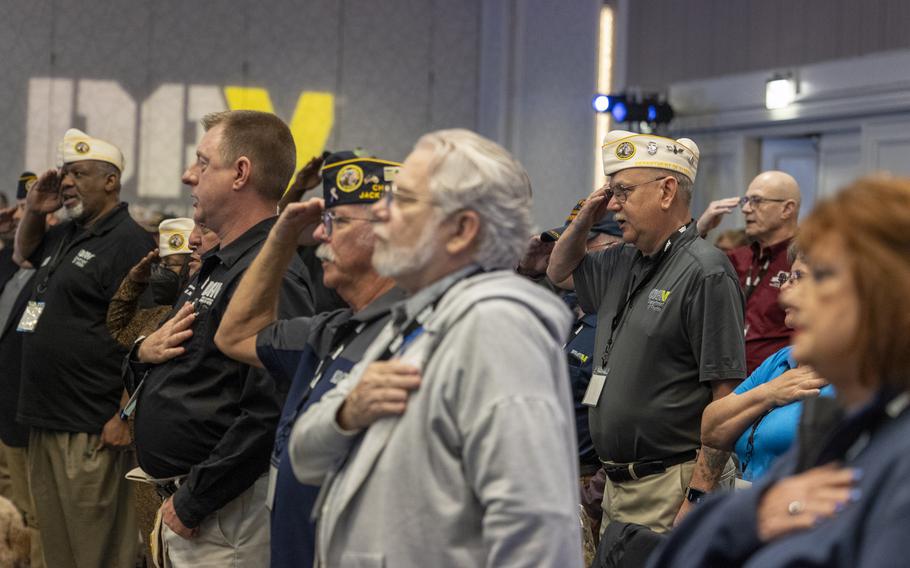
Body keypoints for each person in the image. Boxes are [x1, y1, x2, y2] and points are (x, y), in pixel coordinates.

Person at [290, 129, 582, 566]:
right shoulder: (415, 321)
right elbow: (304, 456)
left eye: (403, 200)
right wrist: (347, 412)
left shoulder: (496, 328)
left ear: (462, 229)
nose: (380, 214)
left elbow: (536, 533)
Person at [649, 176, 910, 567]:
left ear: (886, 297)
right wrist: (754, 514)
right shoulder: (838, 429)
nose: (788, 294)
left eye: (819, 278)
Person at [124, 110, 313, 567]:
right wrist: (140, 353)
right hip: (196, 505)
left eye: (203, 162)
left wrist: (194, 501)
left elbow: (271, 408)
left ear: (240, 173)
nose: (189, 175)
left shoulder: (270, 271)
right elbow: (179, 364)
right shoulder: (221, 262)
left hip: (224, 515)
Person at [547, 130, 746, 534]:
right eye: (611, 193)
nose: (614, 206)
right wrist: (587, 214)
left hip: (672, 483)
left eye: (623, 192)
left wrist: (698, 496)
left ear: (667, 191)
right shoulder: (622, 259)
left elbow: (725, 398)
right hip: (618, 486)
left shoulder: (706, 271)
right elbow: (558, 270)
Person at [215, 151, 405, 568]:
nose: (320, 234)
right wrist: (281, 238)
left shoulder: (417, 339)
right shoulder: (331, 329)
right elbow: (235, 335)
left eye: (336, 222)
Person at [14, 129, 154, 568]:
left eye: (79, 173)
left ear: (110, 180)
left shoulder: (130, 243)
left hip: (91, 425)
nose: (67, 181)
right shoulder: (67, 233)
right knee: (55, 547)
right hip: (46, 417)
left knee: (98, 551)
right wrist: (35, 211)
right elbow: (24, 252)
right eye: (66, 173)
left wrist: (123, 415)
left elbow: (145, 336)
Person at [700, 245, 833, 483]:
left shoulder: (852, 376)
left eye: (798, 277)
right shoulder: (781, 360)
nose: (783, 288)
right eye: (786, 277)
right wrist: (771, 392)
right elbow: (711, 428)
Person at [697, 171, 801, 373]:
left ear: (787, 209)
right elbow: (682, 273)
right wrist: (700, 229)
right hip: (727, 376)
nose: (745, 209)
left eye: (756, 201)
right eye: (745, 201)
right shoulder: (738, 258)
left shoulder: (805, 263)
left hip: (779, 378)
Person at [0, 172, 46, 568]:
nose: (21, 217)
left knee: (30, 511)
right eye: (19, 209)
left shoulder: (47, 272)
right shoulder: (10, 263)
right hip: (4, 407)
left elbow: (27, 334)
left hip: (24, 407)